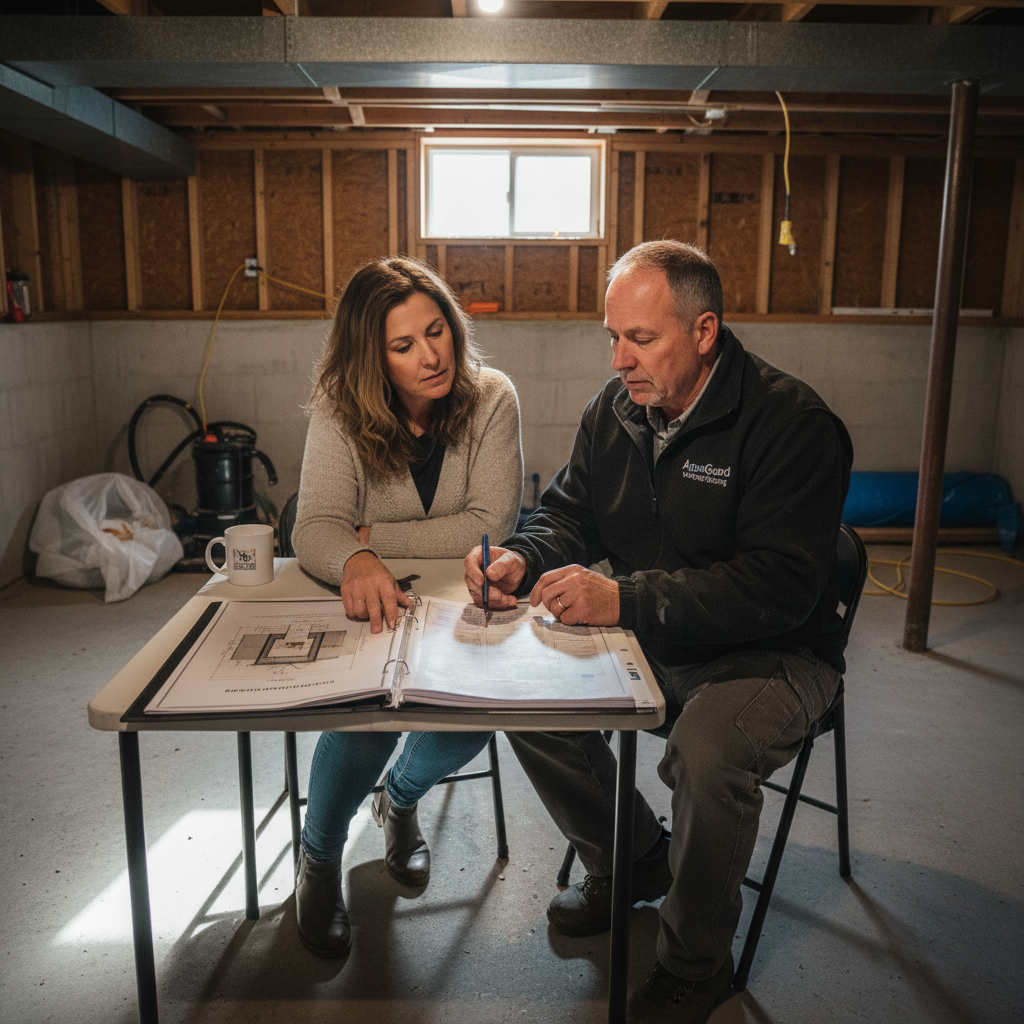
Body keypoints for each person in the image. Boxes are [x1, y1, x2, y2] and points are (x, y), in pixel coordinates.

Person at [464, 240, 852, 1024]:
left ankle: (694, 965)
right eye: (613, 338)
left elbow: (777, 587)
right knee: (520, 699)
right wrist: (522, 555)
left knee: (707, 756)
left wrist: (625, 600)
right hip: (650, 632)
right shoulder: (616, 412)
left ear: (704, 331)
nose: (620, 360)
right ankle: (634, 859)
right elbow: (571, 512)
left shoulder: (794, 424)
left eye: (640, 339)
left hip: (771, 650)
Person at [292, 254, 522, 957]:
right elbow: (313, 527)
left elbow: (492, 522)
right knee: (364, 723)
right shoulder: (339, 409)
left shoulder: (492, 397)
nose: (431, 356)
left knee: (475, 720)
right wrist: (354, 558)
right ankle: (320, 862)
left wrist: (371, 538)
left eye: (437, 331)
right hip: (378, 609)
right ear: (371, 359)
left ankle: (399, 798)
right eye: (403, 346)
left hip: (463, 607)